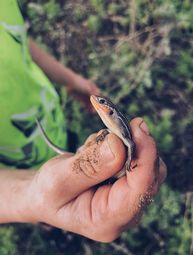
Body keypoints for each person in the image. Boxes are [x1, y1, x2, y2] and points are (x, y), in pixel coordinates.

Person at [0, 0, 167, 242]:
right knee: (53, 206)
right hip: (15, 168)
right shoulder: (109, 114)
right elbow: (129, 145)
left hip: (51, 123)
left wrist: (70, 80)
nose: (98, 102)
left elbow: (17, 40)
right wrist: (30, 199)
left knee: (75, 158)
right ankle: (51, 225)